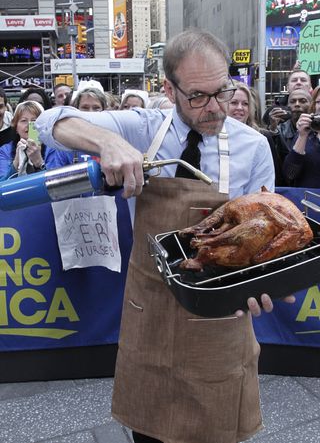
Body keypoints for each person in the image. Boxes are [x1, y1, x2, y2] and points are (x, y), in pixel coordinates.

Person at [36, 29, 295, 443]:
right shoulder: (142, 128)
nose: (215, 108)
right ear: (169, 90)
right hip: (149, 311)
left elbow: (261, 239)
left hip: (219, 318)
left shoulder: (254, 147)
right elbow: (47, 123)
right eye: (198, 96)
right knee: (150, 433)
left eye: (222, 91)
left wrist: (264, 281)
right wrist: (107, 142)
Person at [228, 82, 285, 186]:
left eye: (245, 104)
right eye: (234, 102)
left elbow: (274, 177)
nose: (240, 108)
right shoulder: (211, 136)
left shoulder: (262, 138)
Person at [0, 100, 56, 180]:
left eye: (34, 121)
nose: (29, 125)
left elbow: (56, 183)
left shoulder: (52, 148)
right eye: (23, 120)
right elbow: (2, 186)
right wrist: (15, 164)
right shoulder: (4, 150)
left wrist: (39, 163)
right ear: (16, 126)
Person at [282, 85, 320, 187]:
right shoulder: (307, 135)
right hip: (308, 200)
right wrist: (302, 136)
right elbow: (289, 176)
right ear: (314, 106)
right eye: (319, 102)